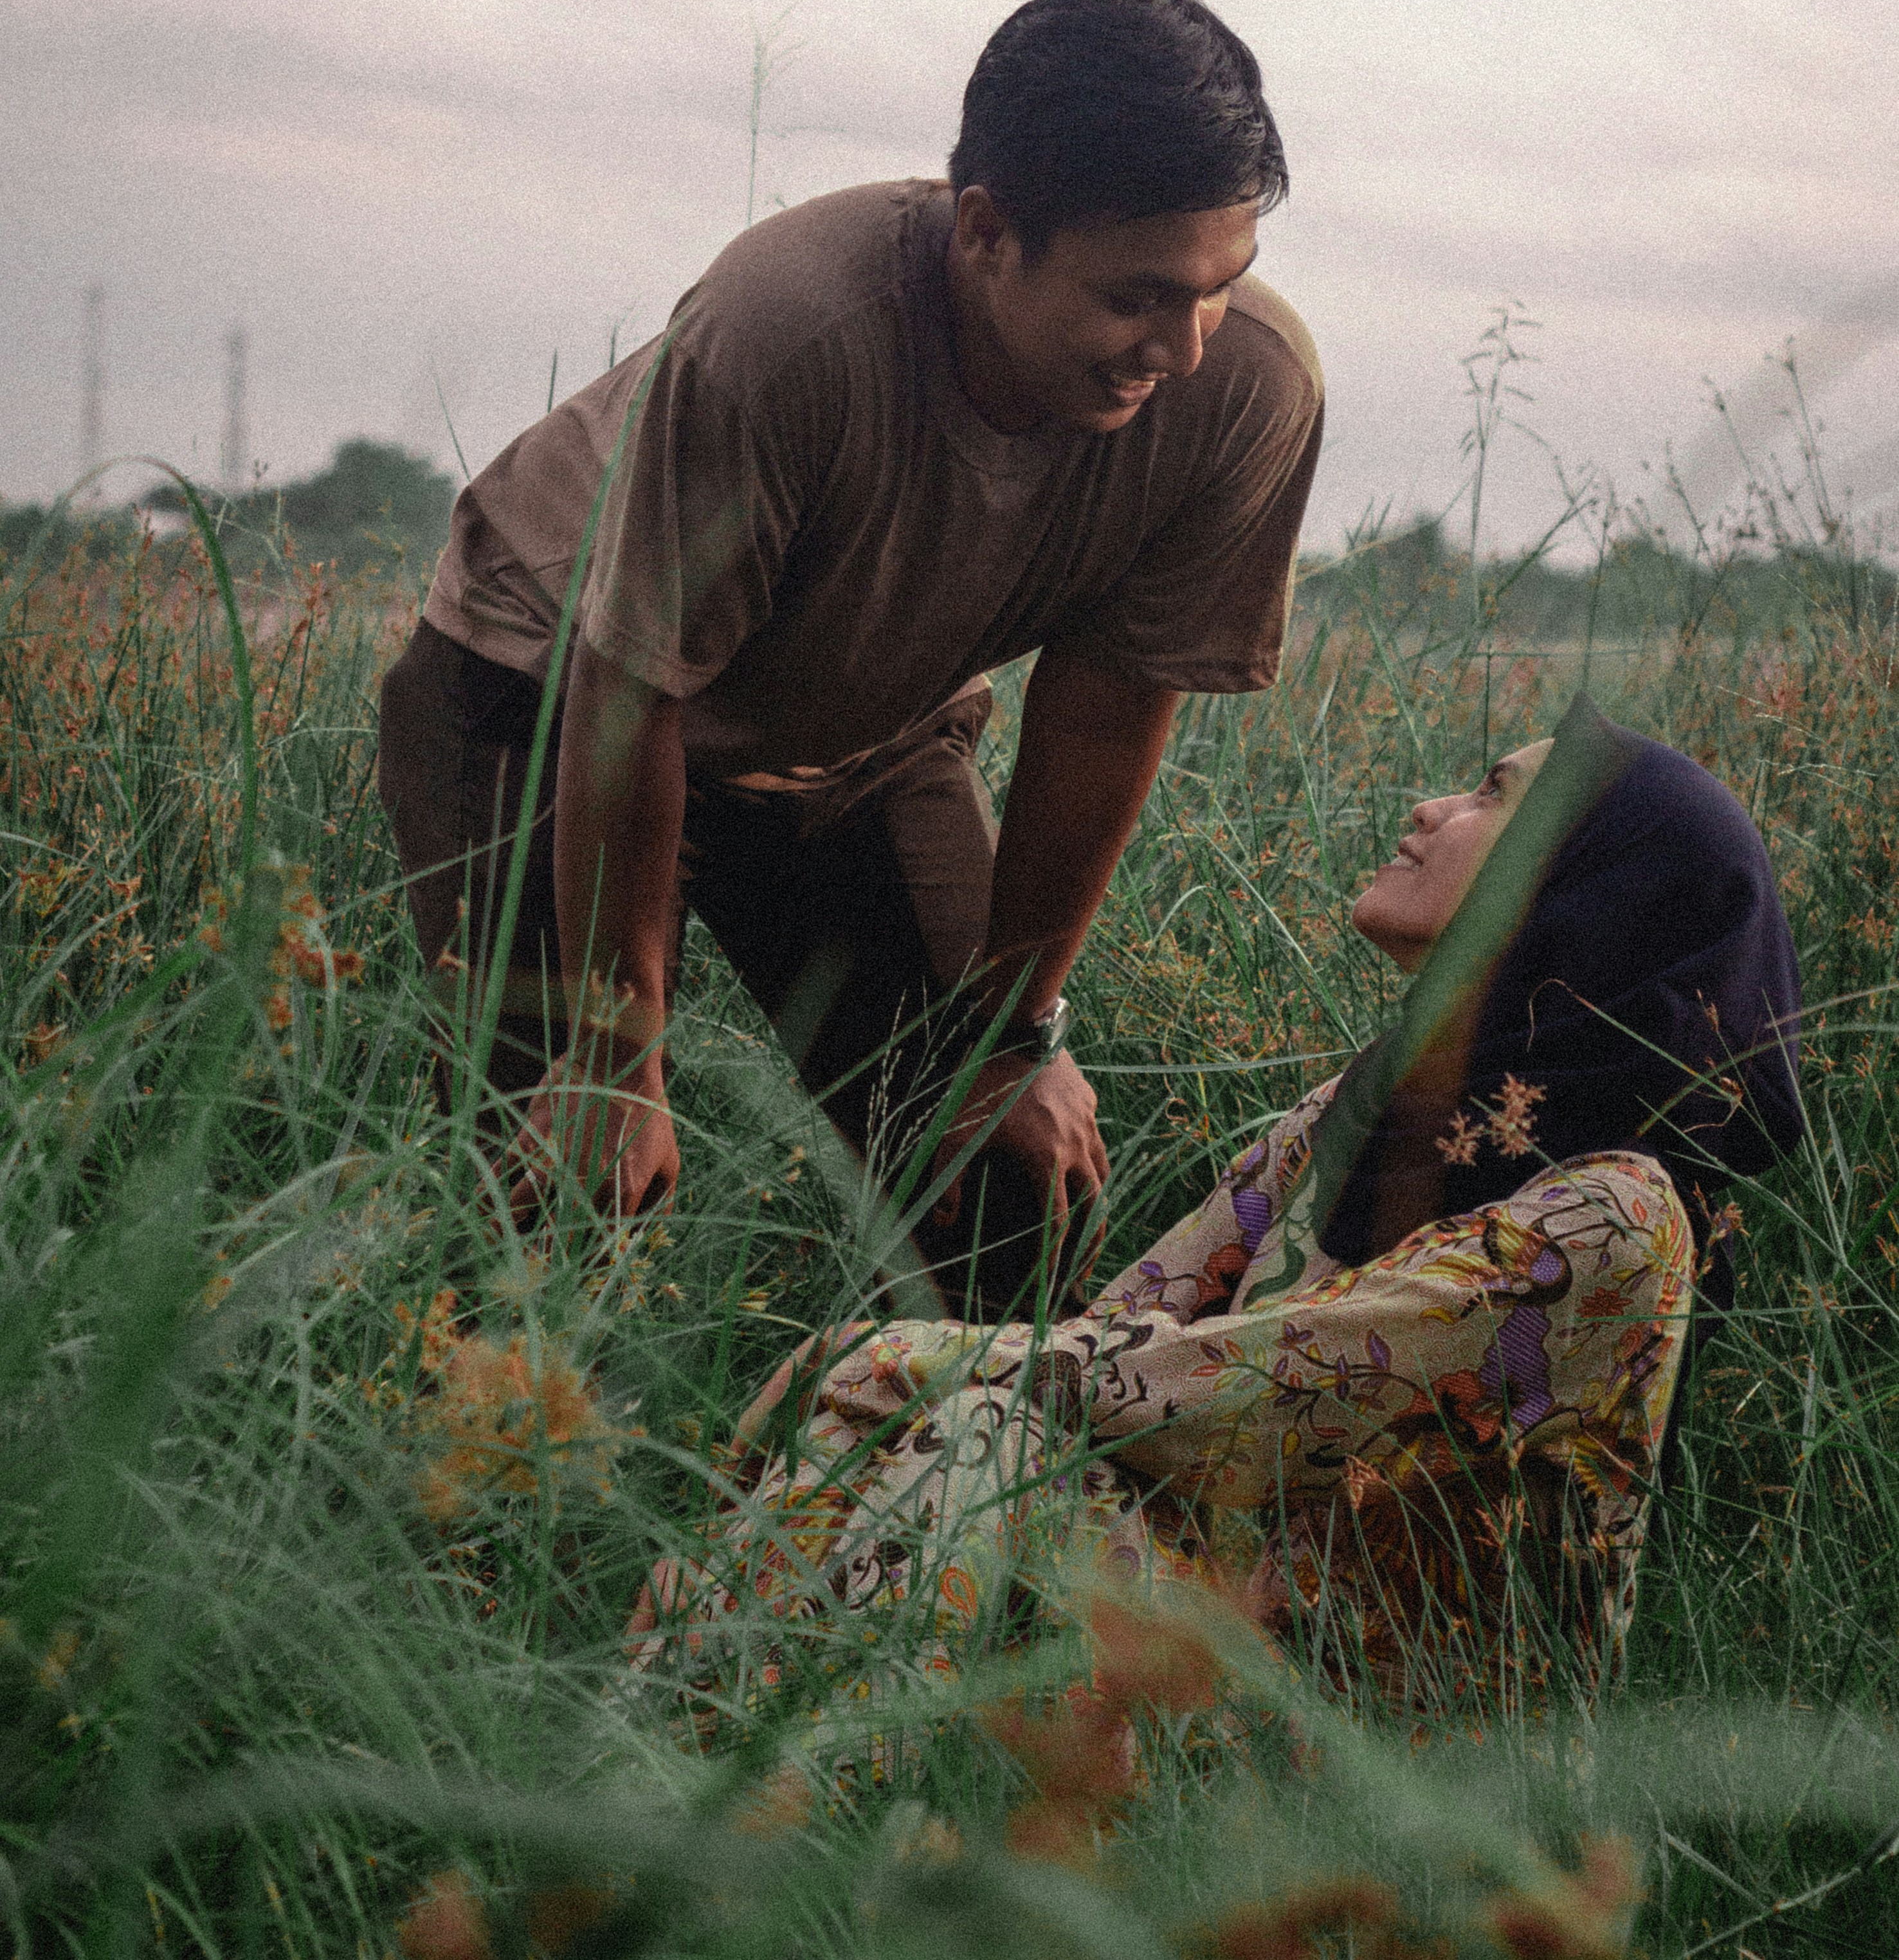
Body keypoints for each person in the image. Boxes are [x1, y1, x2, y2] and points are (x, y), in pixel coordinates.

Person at [376, 0, 1325, 1309]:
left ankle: (922, 1506)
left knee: (1006, 1176)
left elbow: (1106, 707)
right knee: (562, 1181)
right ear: (986, 232)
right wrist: (614, 1050)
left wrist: (1013, 1035)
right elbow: (626, 690)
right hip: (543, 692)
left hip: (854, 736)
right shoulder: (787, 332)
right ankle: (499, 1494)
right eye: (1135, 296)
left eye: (1218, 285)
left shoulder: (1247, 389)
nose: (1178, 344)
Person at [629, 699, 1803, 1712]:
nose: (1434, 806)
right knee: (942, 1428)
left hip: (1386, 1743)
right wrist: (883, 1376)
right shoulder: (1357, 1109)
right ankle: (683, 1805)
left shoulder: (1619, 1217)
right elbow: (1123, 1324)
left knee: (971, 1434)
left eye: (1490, 795)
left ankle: (734, 1826)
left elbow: (1237, 1395)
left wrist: (879, 1356)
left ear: (1591, 887)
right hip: (1209, 1620)